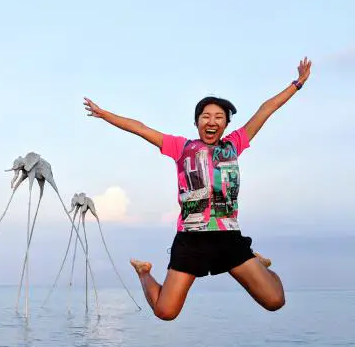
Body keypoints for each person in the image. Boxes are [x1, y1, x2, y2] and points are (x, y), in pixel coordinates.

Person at [82, 57, 312, 320]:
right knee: (165, 312)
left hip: (228, 237)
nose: (211, 121)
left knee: (275, 301)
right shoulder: (180, 147)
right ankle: (144, 273)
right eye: (205, 116)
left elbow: (265, 109)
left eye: (218, 117)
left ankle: (259, 264)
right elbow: (140, 128)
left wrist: (297, 84)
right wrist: (105, 115)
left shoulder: (235, 143)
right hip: (192, 239)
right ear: (197, 123)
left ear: (225, 124)